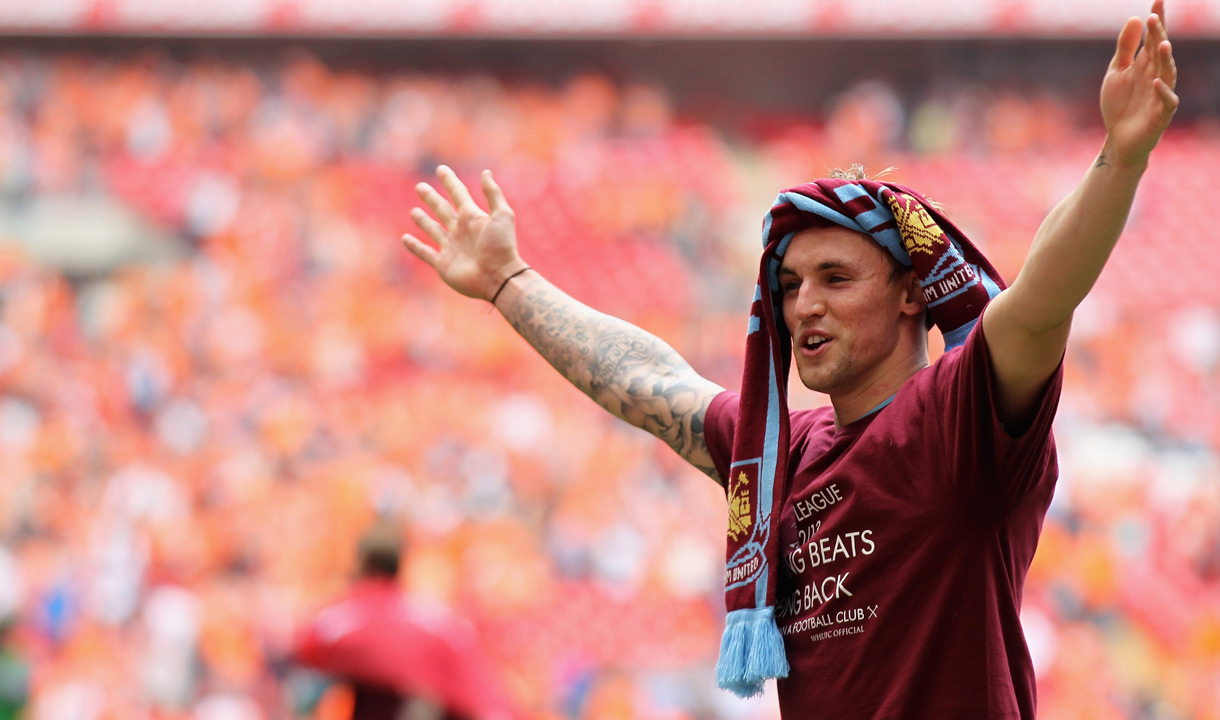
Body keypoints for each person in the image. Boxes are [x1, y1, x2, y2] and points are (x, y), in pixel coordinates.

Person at [398, 3, 1178, 718]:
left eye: (836, 279)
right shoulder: (781, 453)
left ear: (912, 294)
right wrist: (509, 282)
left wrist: (1120, 156)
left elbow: (1041, 301)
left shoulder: (957, 418)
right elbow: (649, 381)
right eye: (791, 284)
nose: (803, 304)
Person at [290, 523, 515, 720]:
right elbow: (484, 695)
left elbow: (303, 651)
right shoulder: (437, 621)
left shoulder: (336, 617)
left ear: (361, 564)